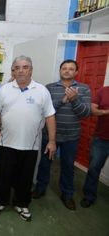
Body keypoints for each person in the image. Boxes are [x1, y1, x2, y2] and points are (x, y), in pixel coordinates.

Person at [0, 55, 56, 221]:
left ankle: (22, 204)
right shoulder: (5, 89)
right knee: (3, 175)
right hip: (5, 143)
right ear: (13, 70)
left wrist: (52, 141)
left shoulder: (41, 91)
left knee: (25, 177)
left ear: (31, 70)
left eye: (24, 67)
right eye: (17, 68)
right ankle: (0, 201)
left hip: (30, 146)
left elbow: (50, 116)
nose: (21, 71)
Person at [32, 59, 91, 210]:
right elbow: (45, 111)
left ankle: (67, 194)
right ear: (60, 71)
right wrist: (64, 100)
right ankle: (41, 188)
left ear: (76, 72)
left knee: (67, 166)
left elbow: (86, 113)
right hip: (49, 135)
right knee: (45, 163)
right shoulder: (49, 88)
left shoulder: (83, 89)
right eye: (64, 68)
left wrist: (74, 100)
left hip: (71, 136)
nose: (67, 71)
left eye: (71, 69)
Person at [81, 86, 109, 208]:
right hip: (101, 139)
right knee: (94, 168)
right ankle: (89, 196)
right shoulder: (103, 91)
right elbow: (92, 110)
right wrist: (107, 112)